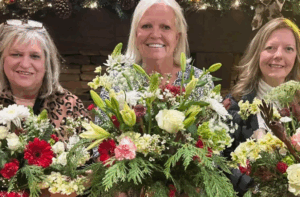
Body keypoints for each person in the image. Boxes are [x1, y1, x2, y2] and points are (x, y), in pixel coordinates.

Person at [224, 17, 300, 196]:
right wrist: (249, 185)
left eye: (289, 49)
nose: (279, 55)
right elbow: (219, 160)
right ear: (258, 53)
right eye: (270, 48)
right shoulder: (234, 104)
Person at [0, 19, 91, 141]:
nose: (25, 64)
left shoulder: (71, 105)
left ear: (47, 63)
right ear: (2, 59)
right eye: (16, 54)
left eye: (35, 56)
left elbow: (92, 156)